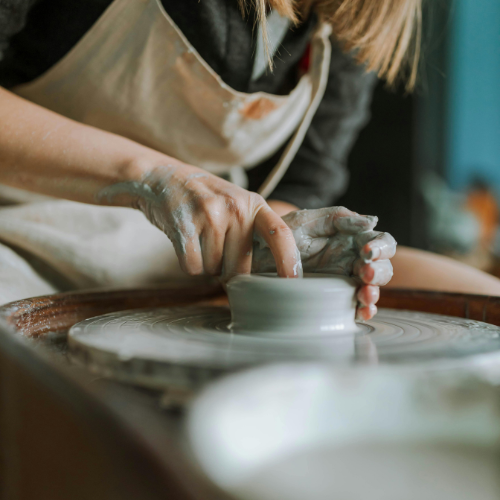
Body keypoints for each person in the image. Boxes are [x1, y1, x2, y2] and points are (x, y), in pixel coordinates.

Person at [0, 0, 498, 313]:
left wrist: (295, 245)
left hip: (192, 260)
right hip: (20, 229)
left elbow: (293, 195)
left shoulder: (356, 14)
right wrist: (151, 176)